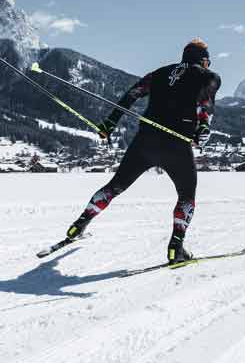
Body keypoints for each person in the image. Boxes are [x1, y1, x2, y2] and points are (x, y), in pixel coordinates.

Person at [60, 39, 220, 264]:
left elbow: (132, 94)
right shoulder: (208, 76)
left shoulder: (160, 73)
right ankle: (176, 248)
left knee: (114, 186)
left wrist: (110, 123)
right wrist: (203, 128)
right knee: (186, 196)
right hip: (176, 144)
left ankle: (79, 225)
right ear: (202, 59)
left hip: (145, 141)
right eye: (207, 61)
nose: (208, 65)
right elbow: (206, 103)